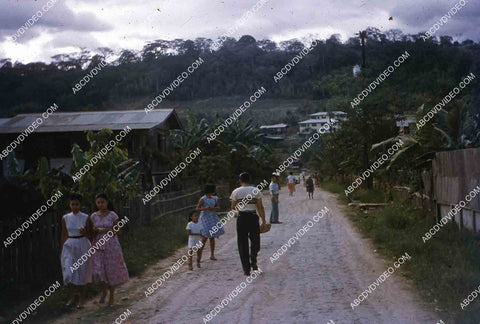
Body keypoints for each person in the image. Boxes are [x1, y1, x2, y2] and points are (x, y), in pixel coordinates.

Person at [88, 193, 129, 307]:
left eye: (103, 202)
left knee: (111, 271)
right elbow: (90, 232)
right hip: (97, 245)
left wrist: (106, 230)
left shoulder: (112, 215)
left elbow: (118, 231)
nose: (101, 205)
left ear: (107, 203)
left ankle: (111, 296)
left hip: (111, 245)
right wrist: (94, 230)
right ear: (96, 204)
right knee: (98, 270)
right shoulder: (93, 216)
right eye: (98, 202)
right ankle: (104, 290)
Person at [230, 172, 266, 276]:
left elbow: (233, 207)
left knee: (242, 243)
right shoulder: (256, 190)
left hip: (242, 218)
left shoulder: (235, 191)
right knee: (255, 240)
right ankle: (253, 260)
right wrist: (263, 221)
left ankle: (246, 268)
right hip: (253, 217)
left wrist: (237, 212)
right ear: (250, 180)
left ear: (240, 180)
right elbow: (260, 207)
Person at [60, 193, 92, 308]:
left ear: (80, 205)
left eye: (77, 204)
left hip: (82, 244)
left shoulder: (86, 217)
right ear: (69, 205)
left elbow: (91, 234)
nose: (75, 207)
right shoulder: (65, 218)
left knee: (82, 271)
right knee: (70, 271)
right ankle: (73, 296)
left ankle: (82, 299)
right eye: (72, 204)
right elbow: (64, 234)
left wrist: (85, 232)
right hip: (70, 245)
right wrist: (62, 250)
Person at [197, 184, 224, 261]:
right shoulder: (203, 199)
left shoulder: (215, 198)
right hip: (205, 218)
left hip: (212, 218)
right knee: (204, 237)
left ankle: (212, 254)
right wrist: (205, 208)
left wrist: (213, 208)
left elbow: (218, 207)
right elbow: (197, 208)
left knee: (212, 237)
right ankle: (199, 256)